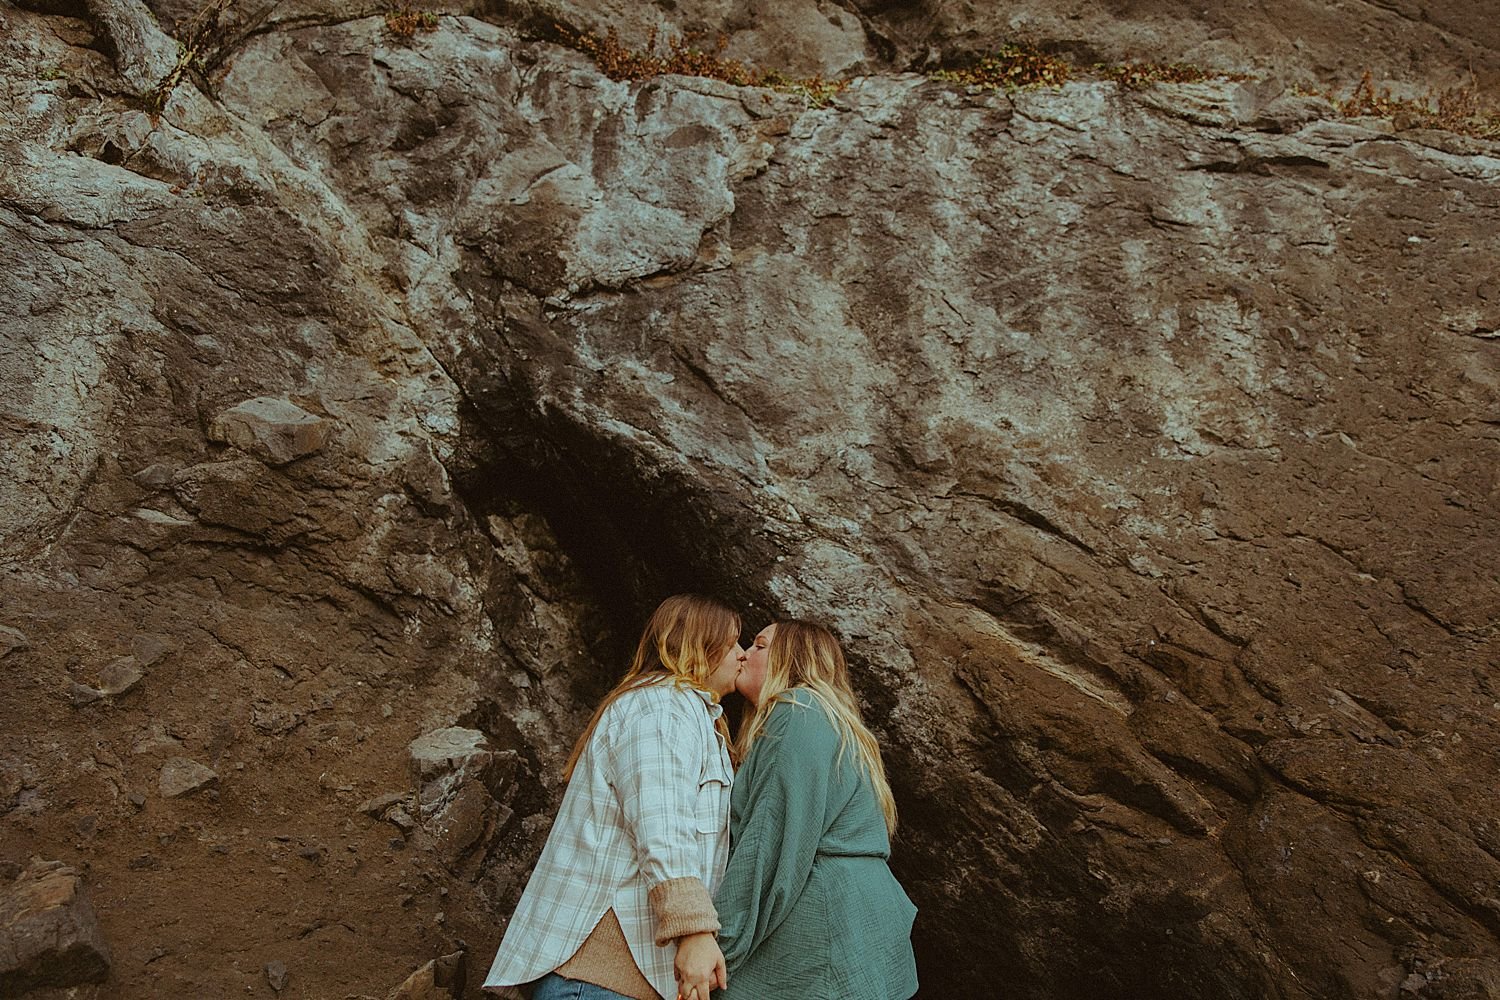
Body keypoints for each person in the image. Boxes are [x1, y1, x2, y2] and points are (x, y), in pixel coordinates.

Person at [483, 594, 742, 1000]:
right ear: (700, 645)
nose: (742, 656)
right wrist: (693, 929)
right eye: (733, 643)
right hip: (599, 980)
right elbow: (663, 825)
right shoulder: (662, 709)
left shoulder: (686, 714)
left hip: (615, 982)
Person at [713, 619, 919, 999]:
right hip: (855, 925)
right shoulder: (821, 718)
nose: (743, 653)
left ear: (791, 660)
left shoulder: (797, 712)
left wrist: (718, 948)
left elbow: (771, 847)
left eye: (759, 645)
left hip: (826, 932)